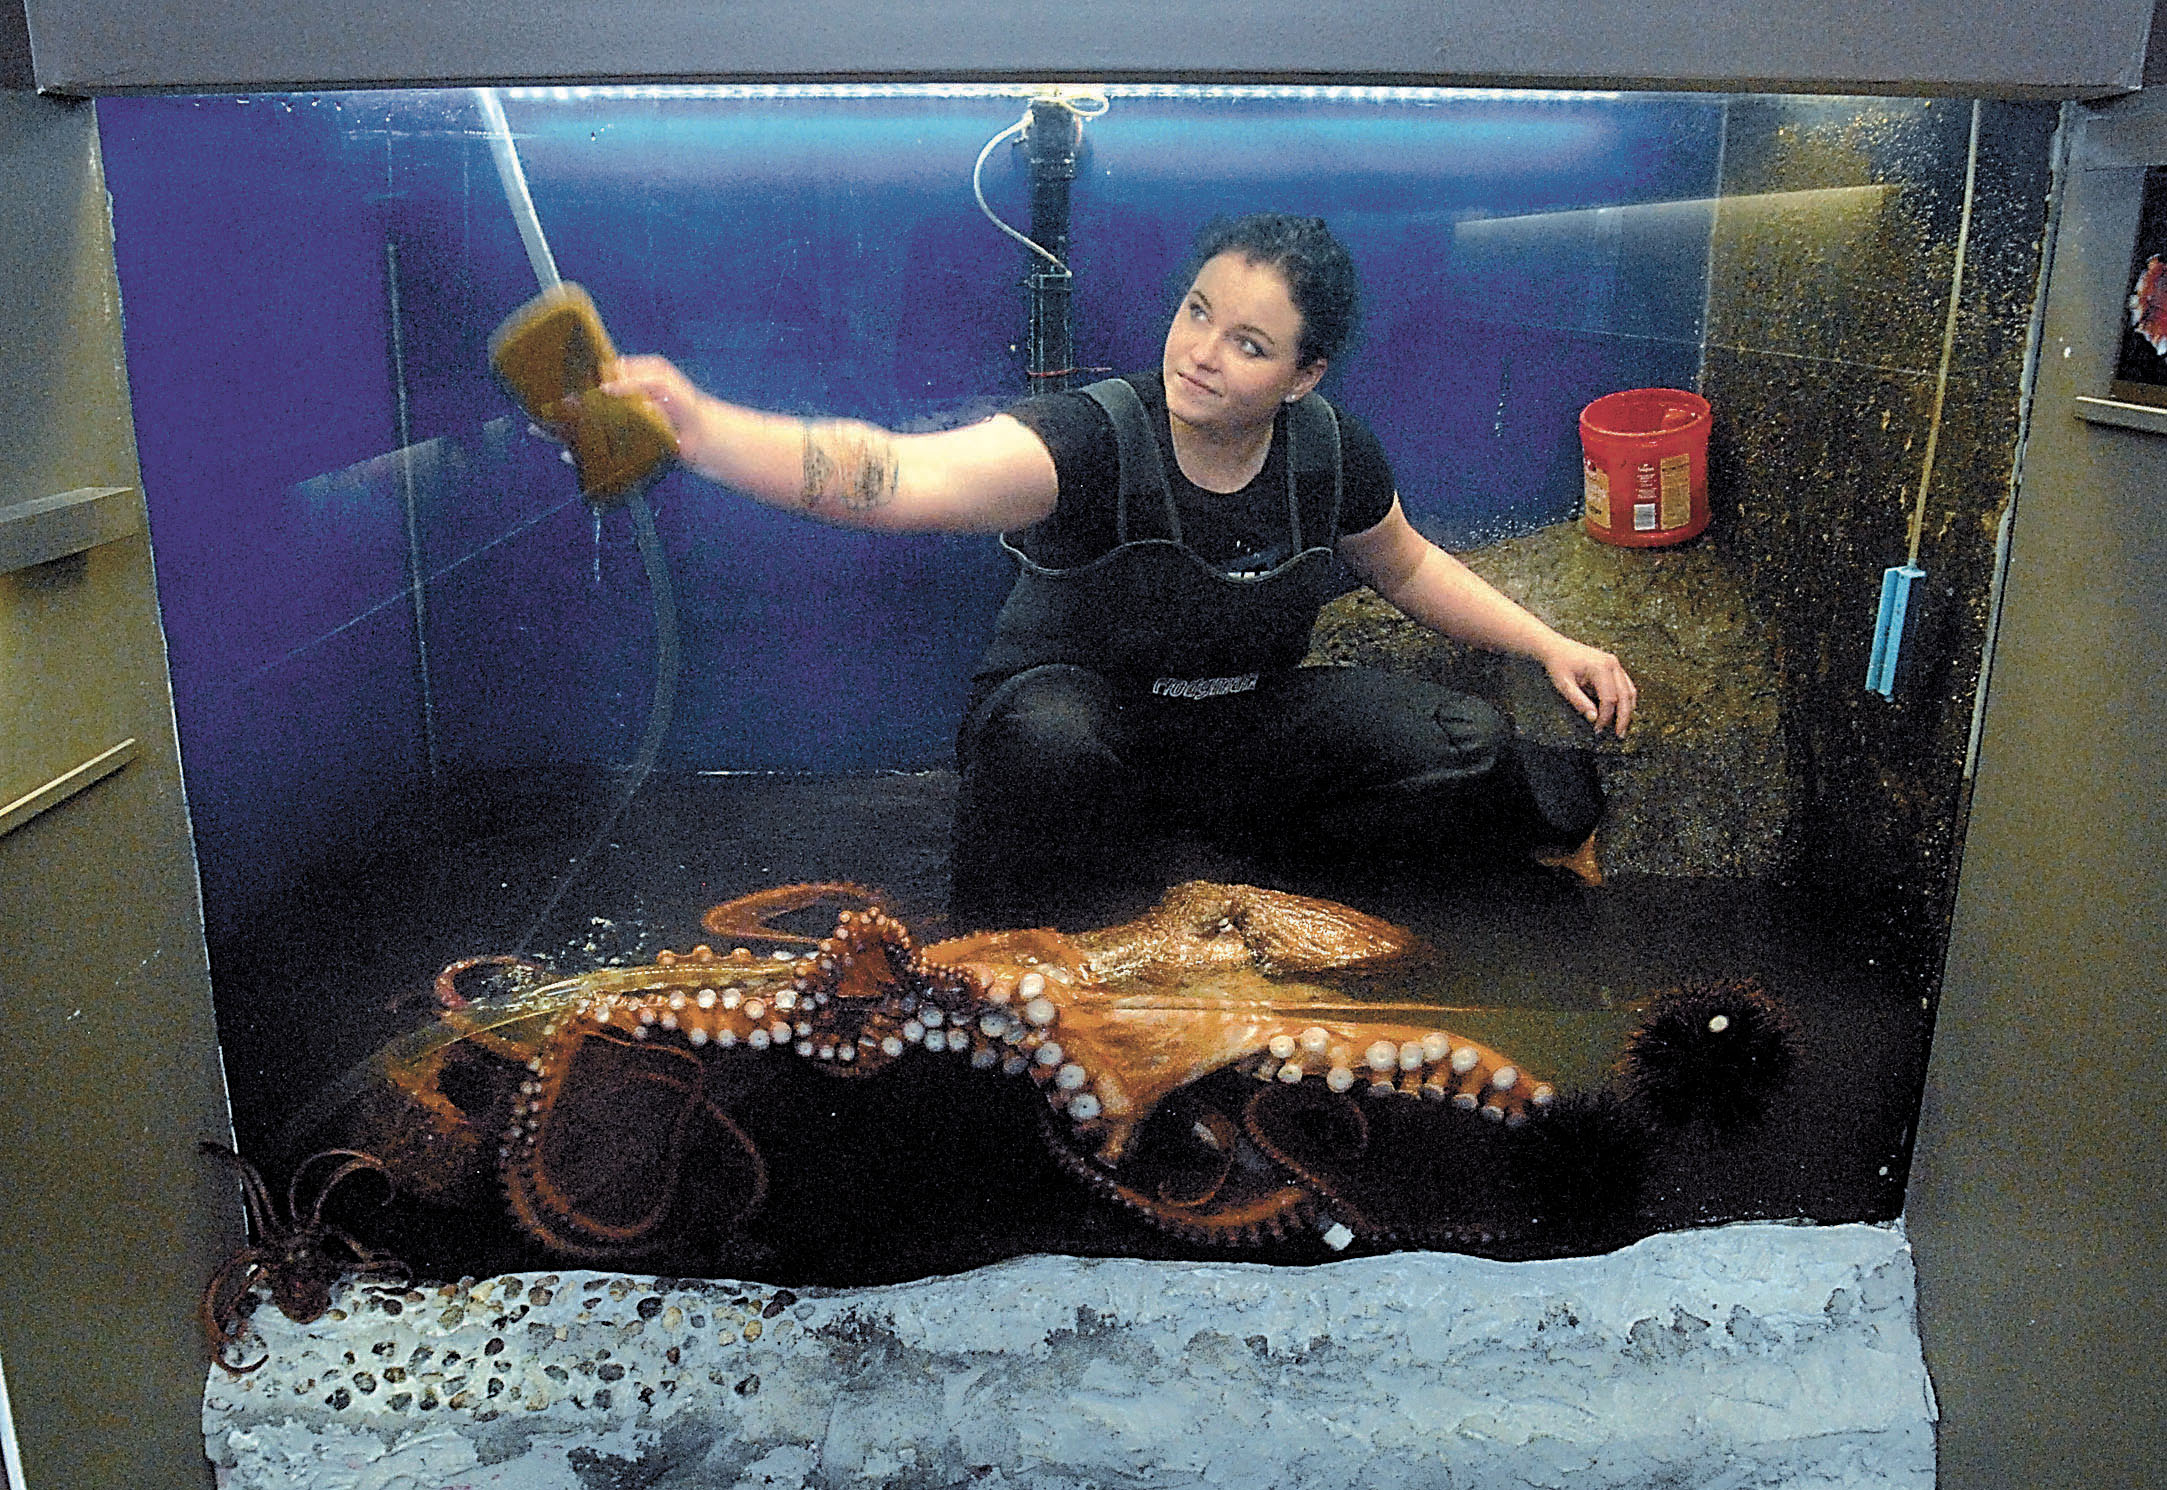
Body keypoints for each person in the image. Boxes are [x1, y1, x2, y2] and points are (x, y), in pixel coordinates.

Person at [600, 214, 1636, 921]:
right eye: (1197, 311)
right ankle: (1039, 931)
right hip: (1078, 722)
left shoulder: (1328, 452)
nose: (1200, 352)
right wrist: (702, 431)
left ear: (1303, 373)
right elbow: (893, 476)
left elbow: (1404, 567)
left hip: (1236, 728)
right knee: (1051, 741)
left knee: (1465, 744)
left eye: (1248, 344)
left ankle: (1236, 884)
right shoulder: (1091, 438)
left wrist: (1550, 644)